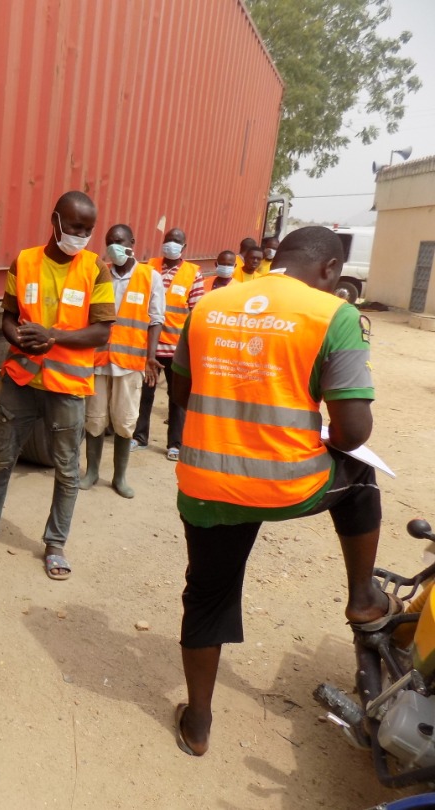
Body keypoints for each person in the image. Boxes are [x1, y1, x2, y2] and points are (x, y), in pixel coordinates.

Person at [169, 225, 393, 758]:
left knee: (207, 596)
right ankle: (362, 599)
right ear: (330, 270)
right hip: (287, 485)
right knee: (361, 478)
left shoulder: (210, 303)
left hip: (207, 483)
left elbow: (180, 389)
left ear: (276, 259)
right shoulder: (330, 315)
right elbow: (353, 433)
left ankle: (197, 724)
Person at [0, 191, 114, 580]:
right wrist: (17, 338)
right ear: (55, 221)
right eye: (75, 226)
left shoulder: (96, 270)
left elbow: (102, 332)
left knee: (66, 470)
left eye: (88, 229)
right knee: (1, 458)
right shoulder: (23, 262)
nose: (81, 235)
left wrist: (54, 337)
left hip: (68, 386)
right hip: (22, 378)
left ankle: (55, 545)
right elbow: (8, 317)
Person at [79, 223, 163, 498]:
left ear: (132, 242)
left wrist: (151, 356)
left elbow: (155, 319)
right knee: (94, 419)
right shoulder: (98, 272)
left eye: (119, 241)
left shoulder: (150, 277)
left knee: (125, 421)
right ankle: (92, 472)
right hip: (99, 359)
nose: (113, 246)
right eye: (109, 242)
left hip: (130, 363)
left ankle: (120, 477)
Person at [132, 227, 204, 460]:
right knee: (144, 394)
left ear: (184, 248)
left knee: (177, 397)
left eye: (177, 242)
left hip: (176, 349)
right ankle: (139, 437)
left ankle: (176, 444)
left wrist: (192, 349)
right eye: (168, 240)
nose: (171, 244)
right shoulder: (148, 266)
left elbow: (197, 313)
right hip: (150, 345)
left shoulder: (194, 273)